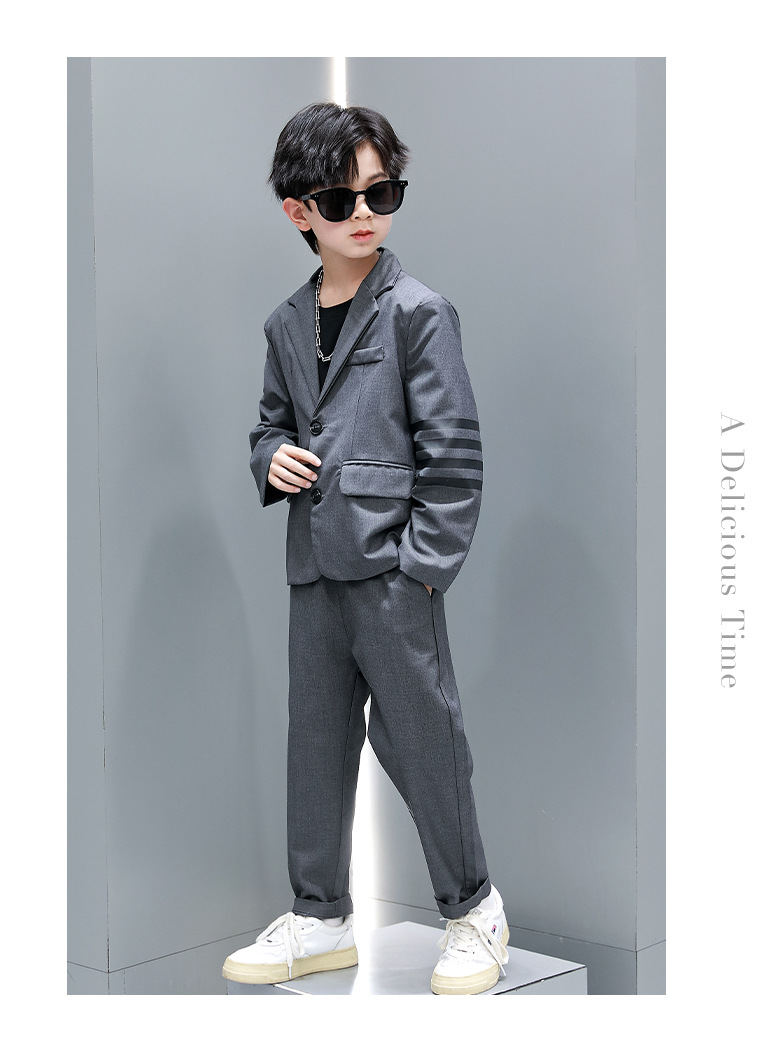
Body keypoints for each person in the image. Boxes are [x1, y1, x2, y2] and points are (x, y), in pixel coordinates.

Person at [222, 102, 508, 996]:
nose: (364, 214)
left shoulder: (419, 313)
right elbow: (268, 426)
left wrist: (423, 571)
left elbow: (454, 457)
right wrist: (273, 457)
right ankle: (320, 917)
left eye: (381, 193)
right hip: (313, 569)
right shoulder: (285, 324)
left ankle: (475, 910)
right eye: (341, 199)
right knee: (314, 745)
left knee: (424, 742)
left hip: (393, 571)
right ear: (298, 211)